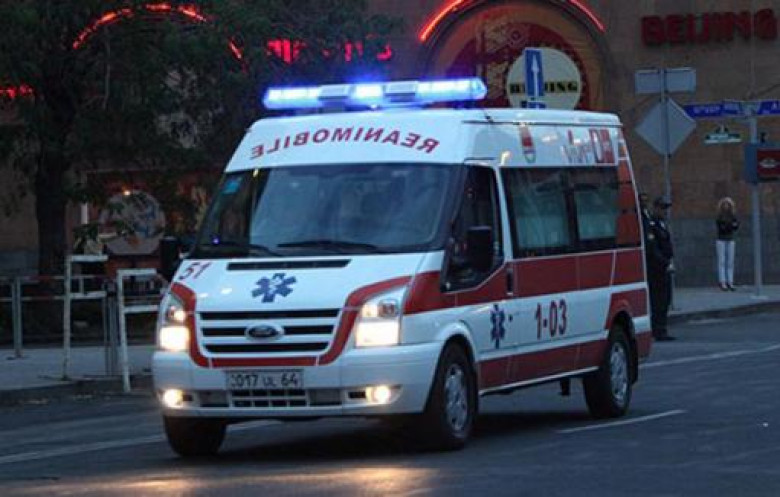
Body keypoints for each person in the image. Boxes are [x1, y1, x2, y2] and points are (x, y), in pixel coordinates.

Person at [645, 196, 676, 341]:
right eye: (662, 208)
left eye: (666, 208)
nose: (664, 211)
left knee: (665, 299)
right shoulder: (651, 225)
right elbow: (653, 249)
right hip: (656, 270)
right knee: (658, 300)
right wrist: (665, 263)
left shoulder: (662, 224)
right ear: (656, 208)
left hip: (665, 268)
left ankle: (662, 328)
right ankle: (657, 329)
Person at [715, 197, 739, 291]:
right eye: (725, 204)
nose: (726, 206)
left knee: (730, 261)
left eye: (728, 205)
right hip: (721, 239)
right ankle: (723, 282)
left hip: (730, 239)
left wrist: (729, 226)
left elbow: (736, 226)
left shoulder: (733, 215)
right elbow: (722, 228)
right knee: (722, 261)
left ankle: (730, 282)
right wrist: (730, 226)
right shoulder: (719, 216)